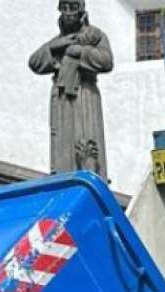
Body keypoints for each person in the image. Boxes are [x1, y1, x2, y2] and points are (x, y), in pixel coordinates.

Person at [28, 0, 114, 178]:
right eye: (64, 7)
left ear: (81, 11)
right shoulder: (60, 40)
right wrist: (55, 46)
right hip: (61, 97)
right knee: (63, 141)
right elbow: (35, 62)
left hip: (85, 93)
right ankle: (63, 175)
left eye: (73, 7)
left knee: (85, 139)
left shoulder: (94, 36)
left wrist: (80, 52)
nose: (68, 12)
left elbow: (106, 61)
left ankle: (89, 175)